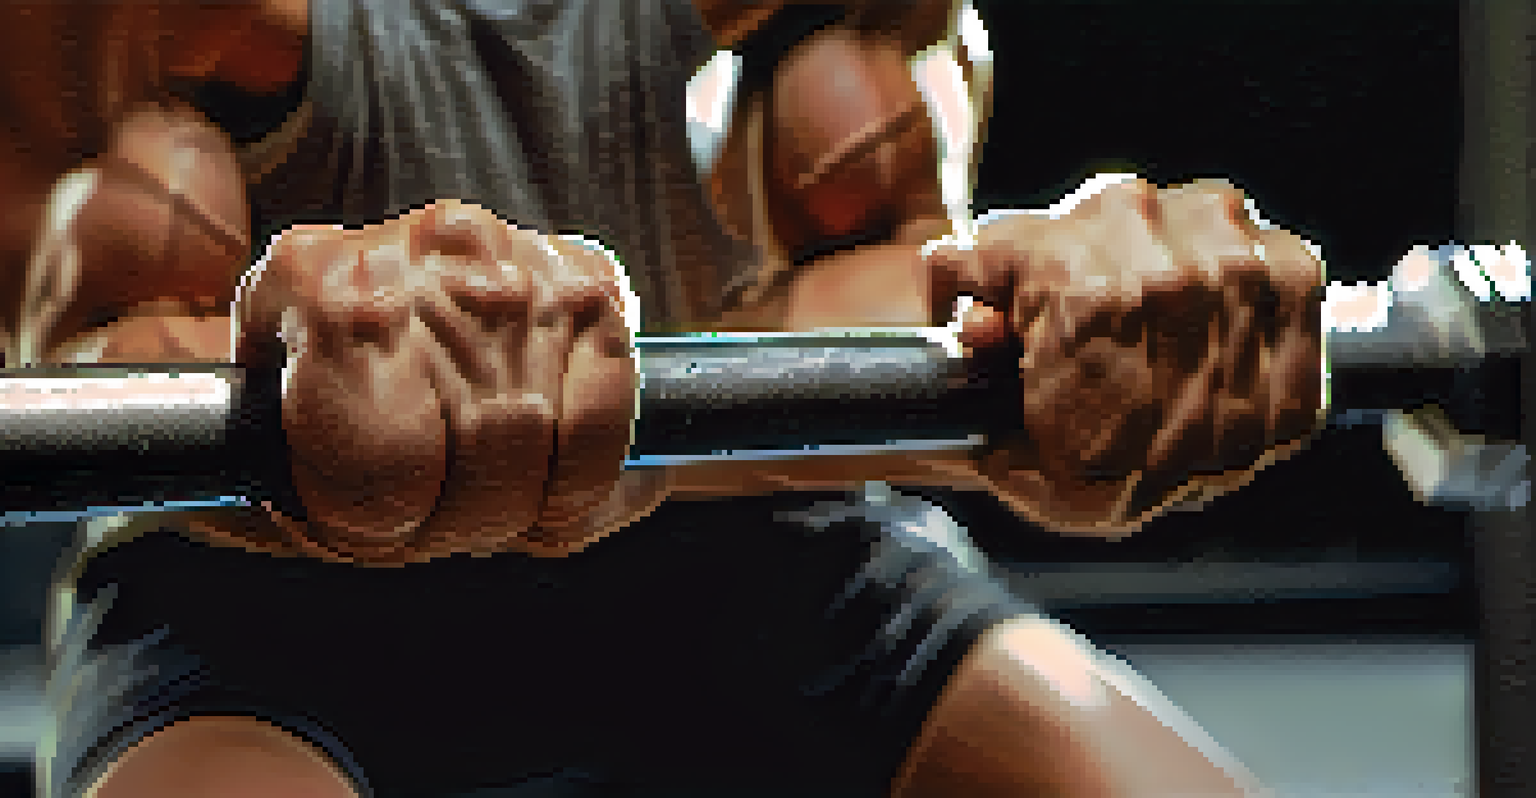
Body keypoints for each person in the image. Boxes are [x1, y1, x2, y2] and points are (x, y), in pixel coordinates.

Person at [0, 1, 1322, 796]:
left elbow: (893, 295)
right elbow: (87, 364)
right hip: (254, 599)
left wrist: (1084, 314)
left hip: (761, 562)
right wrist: (274, 375)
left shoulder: (826, 25)